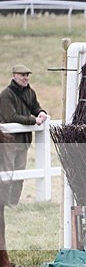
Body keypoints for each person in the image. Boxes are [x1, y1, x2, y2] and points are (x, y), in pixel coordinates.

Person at [0, 64, 48, 205]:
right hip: (8, 142)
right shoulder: (6, 95)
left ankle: (14, 203)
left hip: (24, 141)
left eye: (27, 75)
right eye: (22, 75)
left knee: (20, 174)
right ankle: (4, 203)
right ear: (14, 76)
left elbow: (35, 107)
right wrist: (34, 120)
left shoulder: (30, 92)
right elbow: (11, 117)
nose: (25, 77)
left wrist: (41, 112)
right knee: (7, 173)